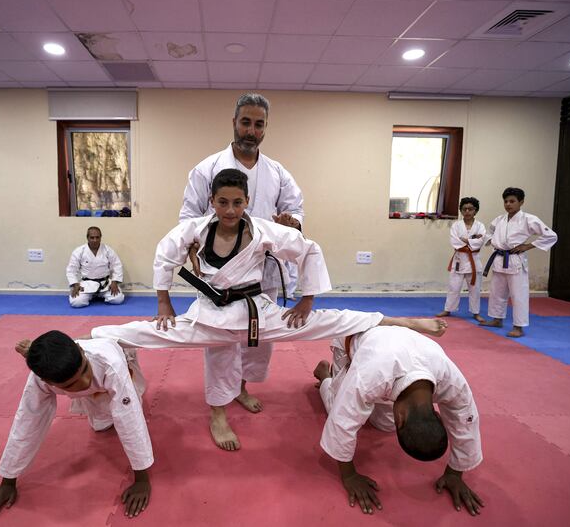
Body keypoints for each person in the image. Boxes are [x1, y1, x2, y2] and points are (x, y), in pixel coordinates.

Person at [91, 169, 447, 451]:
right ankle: (95, 339)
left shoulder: (263, 230)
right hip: (210, 316)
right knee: (150, 333)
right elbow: (164, 255)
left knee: (327, 321)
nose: (230, 210)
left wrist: (308, 299)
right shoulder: (194, 229)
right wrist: (163, 301)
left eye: (237, 202)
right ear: (211, 201)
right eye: (223, 202)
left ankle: (401, 320)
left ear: (247, 201)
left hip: (257, 313)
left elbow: (309, 250)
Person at [179, 92, 304, 441]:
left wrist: (291, 222)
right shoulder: (207, 169)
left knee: (257, 337)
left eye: (258, 124)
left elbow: (296, 209)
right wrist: (194, 248)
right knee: (220, 340)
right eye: (245, 122)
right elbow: (188, 217)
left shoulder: (278, 172)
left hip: (263, 270)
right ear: (234, 122)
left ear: (265, 128)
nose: (251, 130)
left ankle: (243, 387)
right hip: (221, 271)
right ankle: (218, 410)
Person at [0, 331, 152, 523]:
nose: (84, 382)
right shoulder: (39, 381)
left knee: (132, 405)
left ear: (80, 350)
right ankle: (36, 352)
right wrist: (8, 481)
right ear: (48, 383)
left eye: (83, 371)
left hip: (118, 357)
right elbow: (27, 423)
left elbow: (130, 419)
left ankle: (48, 353)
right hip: (89, 374)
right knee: (101, 425)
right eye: (72, 384)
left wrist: (142, 479)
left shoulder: (112, 365)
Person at [313, 326, 484, 516]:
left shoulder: (451, 381)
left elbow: (466, 419)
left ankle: (375, 396)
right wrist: (350, 476)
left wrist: (455, 473)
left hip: (393, 354)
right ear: (436, 415)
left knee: (384, 424)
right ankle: (325, 376)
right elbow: (341, 421)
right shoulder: (367, 377)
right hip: (353, 336)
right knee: (336, 406)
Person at [479, 187, 558, 337]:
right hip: (499, 258)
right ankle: (497, 319)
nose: (508, 204)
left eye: (512, 201)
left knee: (518, 295)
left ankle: (518, 326)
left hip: (515, 260)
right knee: (497, 292)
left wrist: (528, 245)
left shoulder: (529, 219)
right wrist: (491, 240)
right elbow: (489, 233)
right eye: (506, 201)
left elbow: (551, 236)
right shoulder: (499, 219)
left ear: (521, 202)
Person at [437, 197, 486, 321]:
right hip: (459, 259)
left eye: (470, 209)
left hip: (474, 261)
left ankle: (476, 312)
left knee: (475, 289)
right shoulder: (456, 225)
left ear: (476, 210)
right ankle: (448, 309)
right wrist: (471, 241)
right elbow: (454, 241)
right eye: (464, 209)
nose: (467, 211)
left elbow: (481, 241)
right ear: (461, 211)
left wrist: (467, 240)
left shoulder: (480, 226)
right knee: (454, 287)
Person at [66, 226, 125, 307]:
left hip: (105, 283)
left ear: (101, 237)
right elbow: (71, 270)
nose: (95, 240)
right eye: (92, 237)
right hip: (87, 284)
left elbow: (117, 265)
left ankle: (99, 295)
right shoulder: (79, 251)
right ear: (87, 238)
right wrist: (75, 284)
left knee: (118, 299)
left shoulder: (107, 250)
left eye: (97, 237)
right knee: (76, 302)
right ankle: (91, 295)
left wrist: (115, 282)